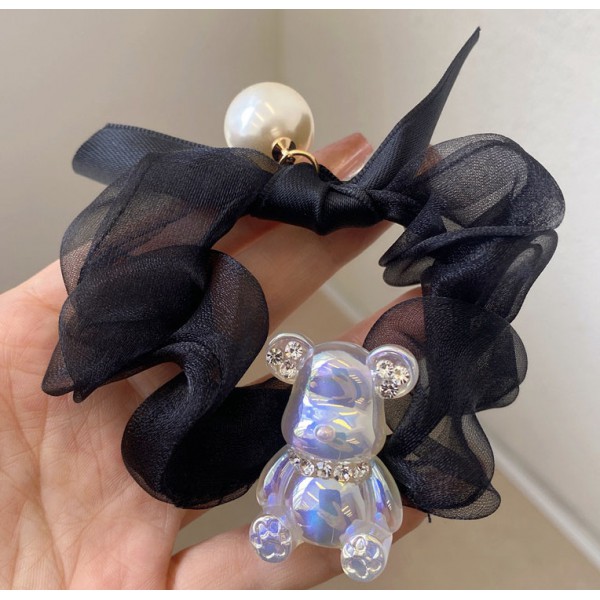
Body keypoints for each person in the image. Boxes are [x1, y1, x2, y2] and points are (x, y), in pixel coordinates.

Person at [0, 134, 425, 589]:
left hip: (353, 520)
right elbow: (273, 485)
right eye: (321, 407)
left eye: (343, 410)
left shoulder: (366, 469)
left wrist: (379, 524)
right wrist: (275, 506)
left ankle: (361, 539)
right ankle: (283, 527)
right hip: (295, 513)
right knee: (278, 515)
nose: (327, 427)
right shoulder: (294, 455)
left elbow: (385, 503)